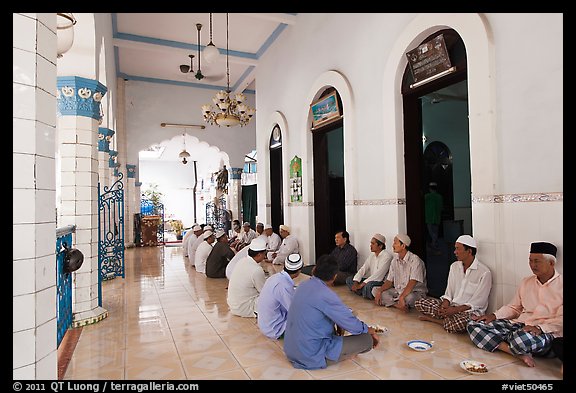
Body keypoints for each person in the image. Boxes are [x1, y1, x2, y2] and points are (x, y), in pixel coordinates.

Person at [466, 242, 562, 367]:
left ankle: (507, 341)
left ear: (551, 263)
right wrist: (494, 316)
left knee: (521, 340)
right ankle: (513, 350)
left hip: (545, 333)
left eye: (537, 261)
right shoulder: (527, 282)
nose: (532, 265)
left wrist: (540, 328)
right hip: (519, 325)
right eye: (530, 261)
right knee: (473, 324)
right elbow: (514, 308)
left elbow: (561, 320)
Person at [283, 254, 379, 370]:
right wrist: (370, 330)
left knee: (344, 316)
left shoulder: (302, 285)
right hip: (310, 355)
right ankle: (342, 355)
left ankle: (338, 349)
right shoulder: (326, 295)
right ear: (334, 277)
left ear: (314, 270)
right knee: (366, 339)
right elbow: (353, 325)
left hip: (291, 350)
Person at [415, 235, 492, 333]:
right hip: (452, 307)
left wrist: (455, 310)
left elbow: (478, 302)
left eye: (458, 249)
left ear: (469, 251)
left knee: (462, 323)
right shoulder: (454, 266)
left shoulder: (484, 272)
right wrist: (445, 306)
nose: (455, 252)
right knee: (420, 303)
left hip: (468, 312)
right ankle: (445, 320)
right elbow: (449, 291)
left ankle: (435, 320)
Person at [372, 233, 427, 311]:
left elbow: (412, 282)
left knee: (409, 298)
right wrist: (379, 291)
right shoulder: (394, 260)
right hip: (398, 291)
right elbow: (389, 281)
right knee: (375, 290)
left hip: (414, 292)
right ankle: (397, 305)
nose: (393, 245)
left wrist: (402, 297)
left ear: (403, 246)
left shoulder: (415, 260)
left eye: (395, 243)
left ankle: (393, 302)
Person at [257, 253, 303, 339]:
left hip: (266, 325)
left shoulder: (275, 278)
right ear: (299, 271)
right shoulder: (284, 285)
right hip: (276, 329)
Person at [227, 238, 268, 317]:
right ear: (259, 254)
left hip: (234, 306)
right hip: (245, 308)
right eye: (264, 254)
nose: (265, 256)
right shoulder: (257, 270)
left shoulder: (242, 261)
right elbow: (264, 291)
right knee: (273, 296)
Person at [346, 234, 392, 298]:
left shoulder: (387, 257)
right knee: (349, 279)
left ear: (380, 246)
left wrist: (362, 284)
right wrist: (356, 282)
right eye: (371, 243)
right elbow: (363, 268)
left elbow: (379, 275)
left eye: (373, 244)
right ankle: (364, 292)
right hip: (371, 280)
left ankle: (361, 291)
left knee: (369, 285)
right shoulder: (372, 255)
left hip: (380, 281)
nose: (370, 245)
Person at [424, 182, 443, 251]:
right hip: (437, 218)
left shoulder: (427, 196)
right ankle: (434, 244)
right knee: (435, 232)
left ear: (429, 189)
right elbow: (441, 208)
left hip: (429, 218)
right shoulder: (439, 197)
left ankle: (434, 244)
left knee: (431, 232)